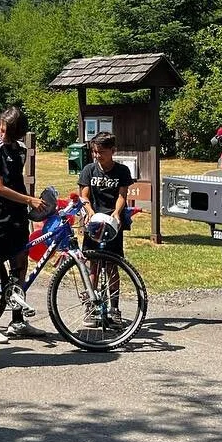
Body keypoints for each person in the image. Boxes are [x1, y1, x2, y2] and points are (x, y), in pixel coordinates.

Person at [0, 106, 48, 345]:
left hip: (18, 213)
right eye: (0, 129)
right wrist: (29, 199)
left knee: (20, 265)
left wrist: (29, 204)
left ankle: (17, 321)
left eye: (6, 131)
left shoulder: (22, 149)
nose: (1, 134)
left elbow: (17, 183)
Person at [78, 131, 134, 314]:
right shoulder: (89, 170)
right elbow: (84, 195)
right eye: (94, 152)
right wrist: (90, 212)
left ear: (112, 151)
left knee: (112, 266)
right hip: (93, 221)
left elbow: (122, 195)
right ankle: (91, 306)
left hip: (112, 223)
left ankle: (114, 308)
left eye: (100, 152)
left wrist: (117, 213)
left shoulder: (122, 171)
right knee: (92, 264)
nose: (96, 155)